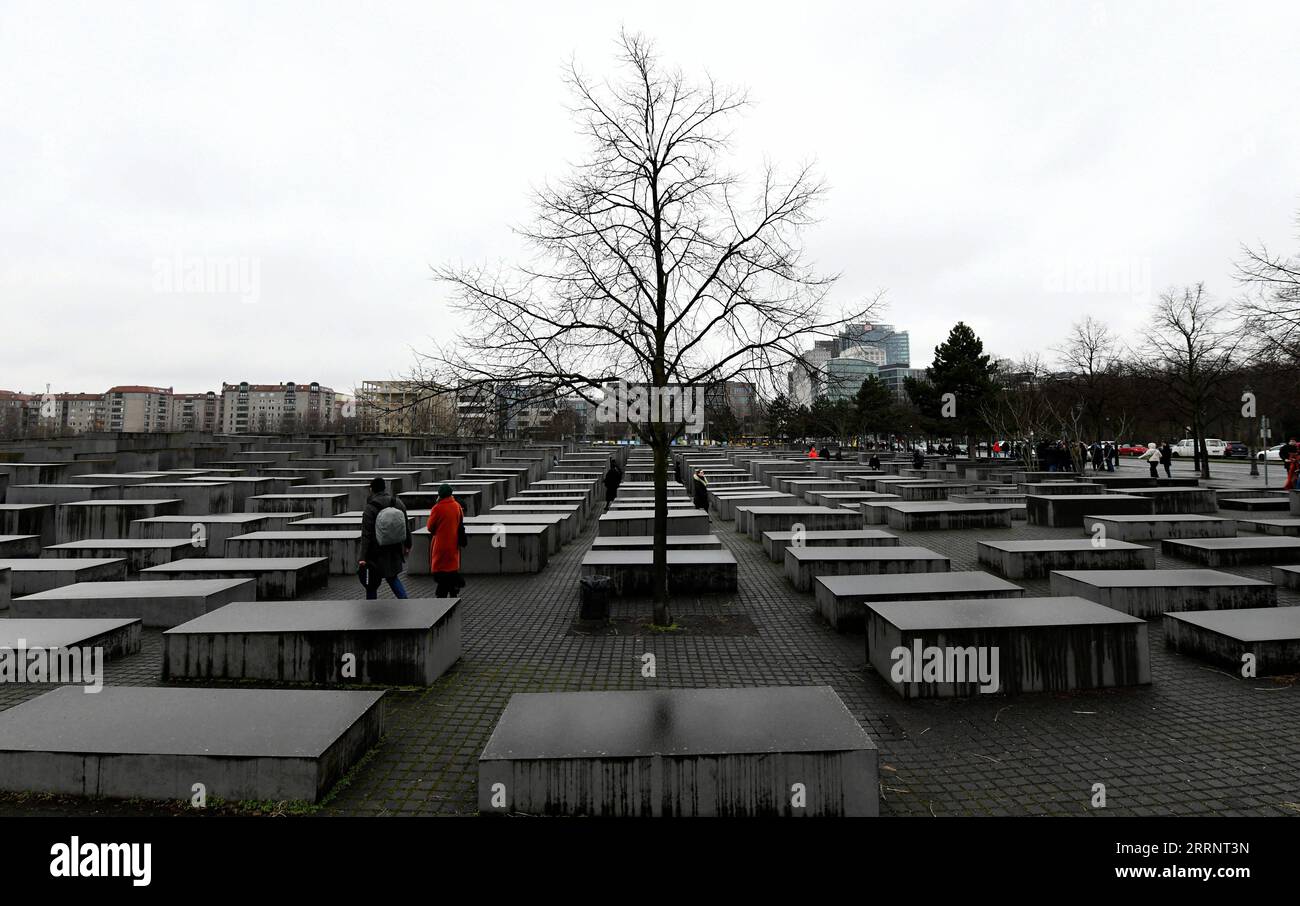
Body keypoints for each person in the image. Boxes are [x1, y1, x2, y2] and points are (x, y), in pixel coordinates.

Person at [358, 476, 411, 600]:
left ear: (372, 489)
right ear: (384, 488)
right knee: (392, 578)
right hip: (394, 547)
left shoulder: (370, 507)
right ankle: (405, 601)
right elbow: (405, 525)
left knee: (371, 582)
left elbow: (366, 534)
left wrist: (362, 557)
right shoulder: (397, 502)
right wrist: (408, 544)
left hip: (375, 551)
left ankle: (371, 606)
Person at [425, 483, 465, 599]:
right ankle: (454, 590)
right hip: (453, 543)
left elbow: (430, 527)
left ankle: (441, 595)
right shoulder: (457, 506)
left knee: (441, 571)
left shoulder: (437, 508)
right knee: (451, 569)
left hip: (440, 545)